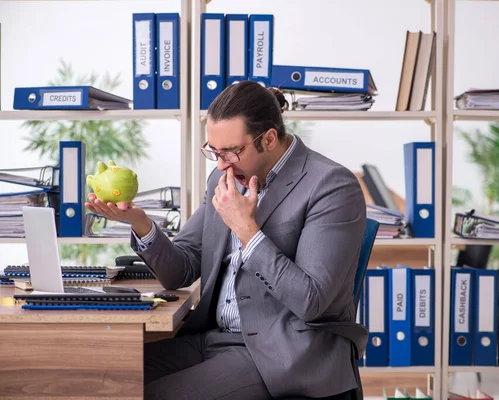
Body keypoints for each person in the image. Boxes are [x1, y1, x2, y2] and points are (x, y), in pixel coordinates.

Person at [84, 81, 367, 400]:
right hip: (212, 338)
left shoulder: (331, 186)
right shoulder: (222, 178)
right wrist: (141, 223)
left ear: (269, 139)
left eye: (231, 152)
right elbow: (183, 269)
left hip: (284, 351)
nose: (220, 165)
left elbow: (311, 301)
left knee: (153, 395)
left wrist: (247, 231)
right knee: (102, 379)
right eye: (213, 152)